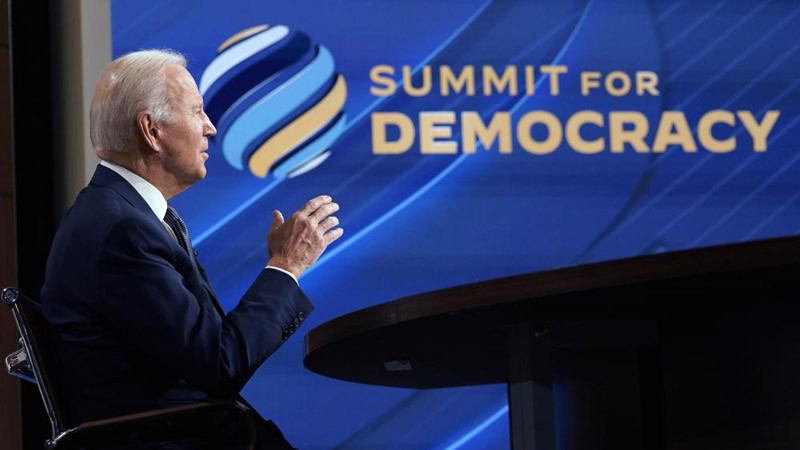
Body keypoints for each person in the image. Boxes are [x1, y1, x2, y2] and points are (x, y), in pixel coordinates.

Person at [40, 49, 342, 449]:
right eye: (197, 111)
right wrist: (286, 266)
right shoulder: (122, 230)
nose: (211, 128)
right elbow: (219, 365)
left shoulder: (124, 214)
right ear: (151, 130)